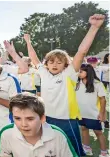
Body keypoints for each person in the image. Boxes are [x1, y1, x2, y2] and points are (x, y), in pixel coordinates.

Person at [25, 14, 105, 156]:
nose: (54, 64)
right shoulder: (43, 72)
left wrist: (94, 27)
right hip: (46, 118)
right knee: (51, 149)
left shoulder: (69, 74)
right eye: (51, 61)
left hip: (66, 120)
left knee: (74, 151)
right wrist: (28, 42)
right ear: (47, 64)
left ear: (65, 64)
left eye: (59, 62)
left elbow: (82, 51)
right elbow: (34, 57)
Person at [0, 93, 78, 157]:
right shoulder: (6, 133)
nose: (23, 124)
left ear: (42, 118)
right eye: (18, 118)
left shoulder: (57, 135)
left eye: (30, 119)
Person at [76, 64, 109, 157]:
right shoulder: (77, 83)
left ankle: (104, 152)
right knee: (83, 128)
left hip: (93, 114)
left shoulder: (97, 83)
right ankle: (87, 148)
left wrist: (102, 114)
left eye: (81, 71)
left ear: (88, 72)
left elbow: (103, 99)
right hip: (81, 113)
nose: (78, 73)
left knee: (98, 132)